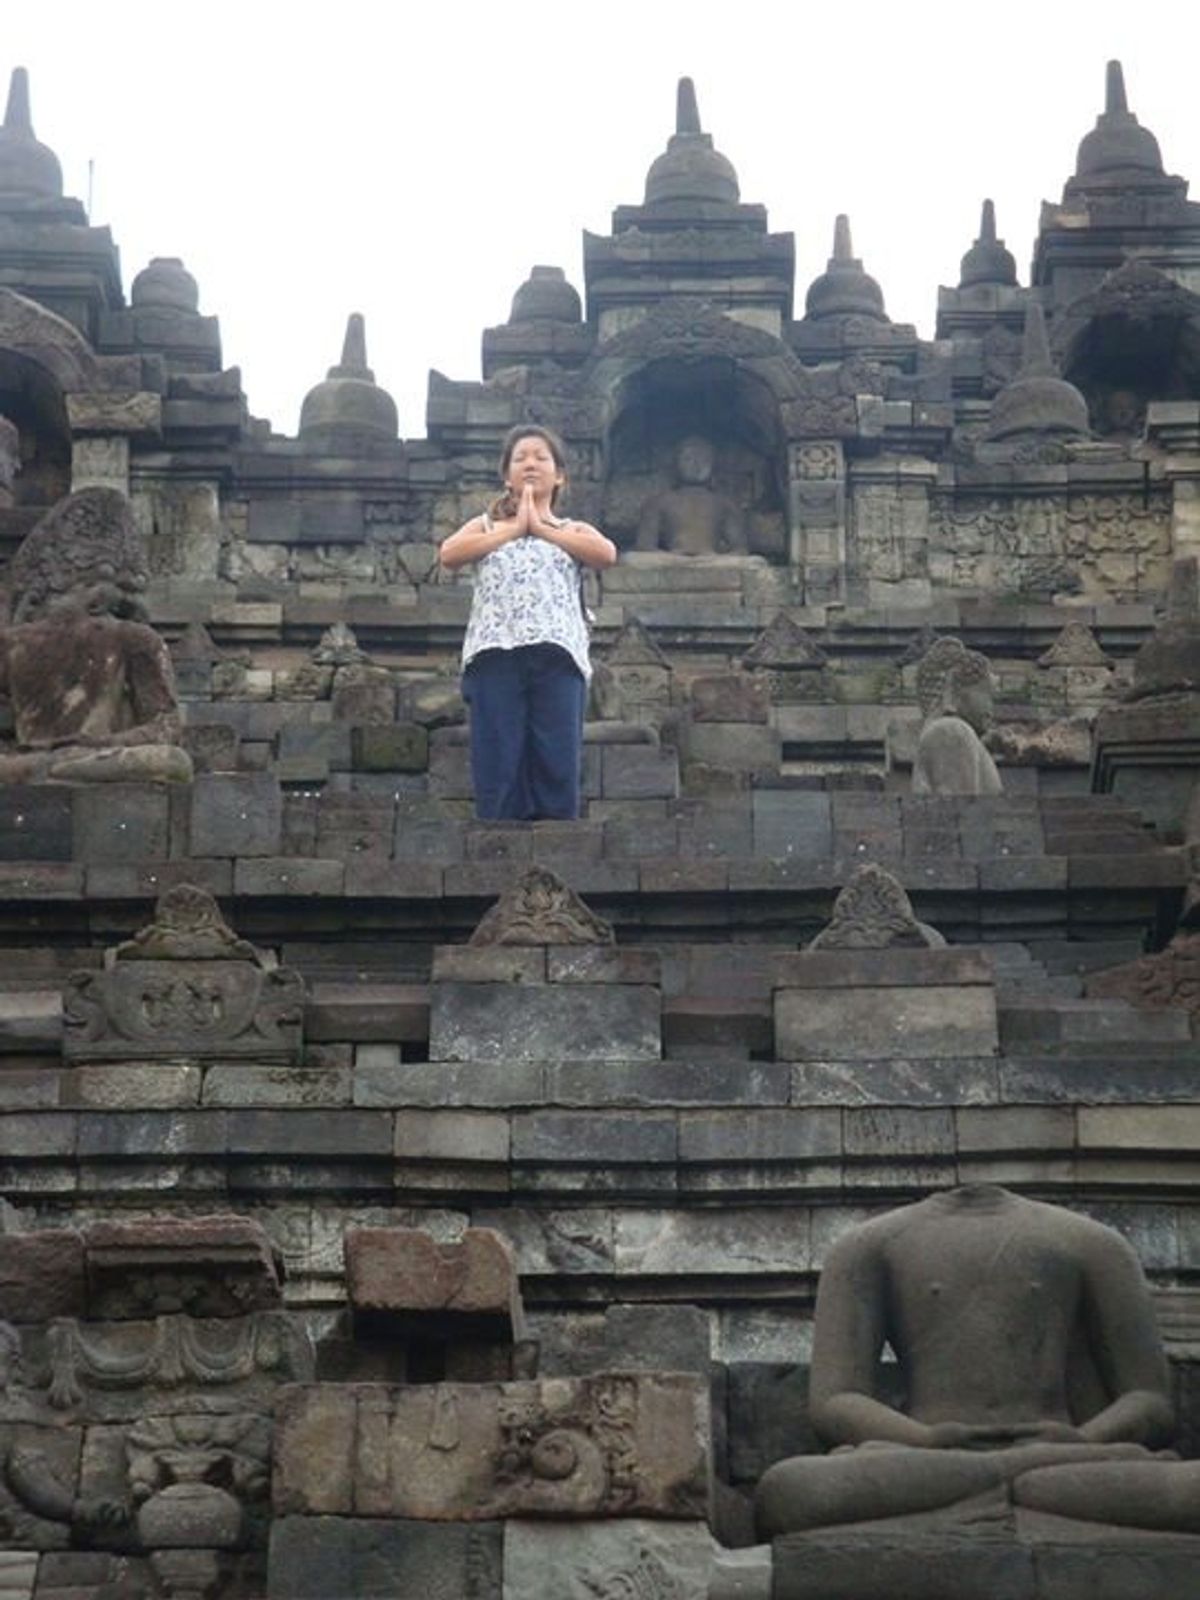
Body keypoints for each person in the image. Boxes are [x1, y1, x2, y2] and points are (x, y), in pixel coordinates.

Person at [755, 1185, 1200, 1540]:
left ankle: (991, 1493)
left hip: (1063, 1454)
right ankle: (1018, 1489)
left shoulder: (1092, 1242)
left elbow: (1150, 1400)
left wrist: (1082, 1438)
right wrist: (926, 1439)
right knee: (791, 1490)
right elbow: (835, 1401)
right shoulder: (866, 1246)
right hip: (933, 1458)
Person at [439, 426, 616, 820]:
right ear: (507, 476)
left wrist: (540, 528)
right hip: (494, 652)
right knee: (498, 761)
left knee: (557, 759)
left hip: (558, 654)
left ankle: (556, 844)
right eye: (520, 458)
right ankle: (498, 845)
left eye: (541, 457)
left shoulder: (571, 529)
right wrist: (514, 529)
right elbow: (449, 554)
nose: (530, 464)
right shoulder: (485, 526)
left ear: (560, 475)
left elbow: (605, 554)